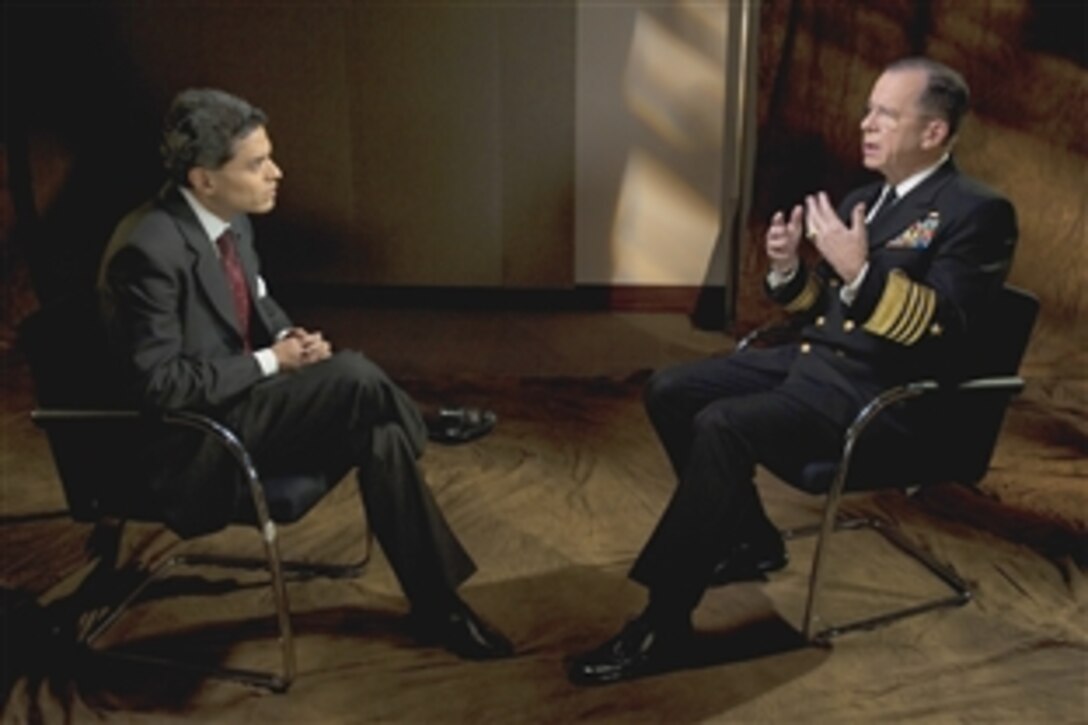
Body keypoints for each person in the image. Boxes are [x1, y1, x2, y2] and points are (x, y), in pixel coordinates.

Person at [568, 57, 1017, 685]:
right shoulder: (866, 199)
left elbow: (944, 330)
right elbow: (824, 313)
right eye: (867, 110)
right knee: (671, 388)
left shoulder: (978, 212)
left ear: (934, 133)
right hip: (813, 367)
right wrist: (788, 272)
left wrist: (861, 273)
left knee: (724, 424)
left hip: (883, 396)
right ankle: (751, 539)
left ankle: (664, 621)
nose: (866, 124)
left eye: (885, 115)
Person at [97, 88, 513, 661]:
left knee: (378, 430)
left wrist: (287, 338)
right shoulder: (147, 250)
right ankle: (423, 421)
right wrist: (273, 362)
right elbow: (160, 387)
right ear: (204, 179)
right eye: (257, 163)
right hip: (193, 446)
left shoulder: (231, 222)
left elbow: (257, 303)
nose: (276, 172)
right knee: (355, 376)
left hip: (249, 406)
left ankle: (437, 603)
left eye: (270, 156)